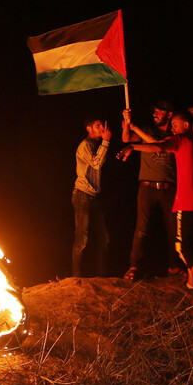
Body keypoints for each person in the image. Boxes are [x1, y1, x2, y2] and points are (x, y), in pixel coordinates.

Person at [119, 111, 193, 304]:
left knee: (181, 246)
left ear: (186, 125)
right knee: (190, 241)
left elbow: (159, 147)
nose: (172, 128)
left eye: (176, 125)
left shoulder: (180, 140)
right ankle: (191, 285)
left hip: (187, 200)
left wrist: (133, 146)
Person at [120, 101, 178, 281]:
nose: (156, 113)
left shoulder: (174, 135)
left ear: (169, 114)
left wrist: (134, 127)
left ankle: (175, 267)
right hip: (147, 187)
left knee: (174, 229)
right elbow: (126, 139)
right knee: (142, 229)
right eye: (155, 110)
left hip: (170, 188)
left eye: (161, 110)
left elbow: (159, 145)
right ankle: (134, 266)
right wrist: (127, 125)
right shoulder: (146, 130)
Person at [71, 116, 112, 277]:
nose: (102, 128)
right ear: (89, 128)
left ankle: (101, 275)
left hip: (94, 196)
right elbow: (96, 163)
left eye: (102, 125)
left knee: (103, 238)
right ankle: (76, 276)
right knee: (82, 238)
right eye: (97, 125)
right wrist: (106, 141)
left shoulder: (95, 144)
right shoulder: (86, 145)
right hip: (82, 195)